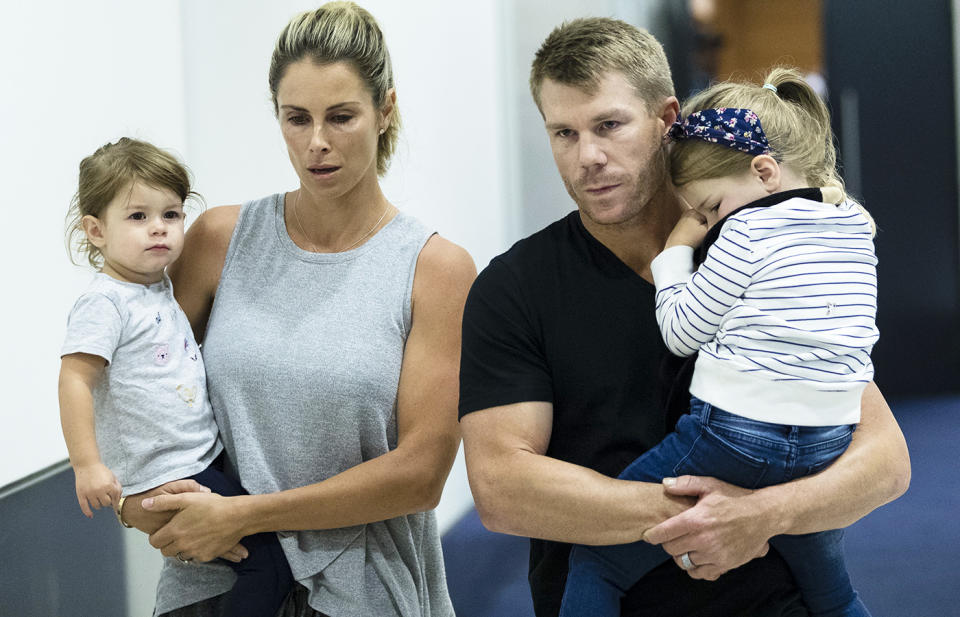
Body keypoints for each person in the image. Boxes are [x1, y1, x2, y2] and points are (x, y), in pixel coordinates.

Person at [458, 17, 910, 617]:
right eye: (563, 133)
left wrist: (761, 517)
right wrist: (715, 518)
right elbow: (503, 491)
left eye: (609, 125)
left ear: (667, 120)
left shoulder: (757, 240)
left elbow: (886, 463)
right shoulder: (513, 288)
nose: (587, 156)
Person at [116, 3, 475, 616]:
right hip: (213, 582)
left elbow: (421, 474)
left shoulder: (435, 270)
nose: (317, 143)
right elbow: (137, 382)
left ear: (385, 109)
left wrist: (245, 514)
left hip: (360, 590)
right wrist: (135, 500)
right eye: (296, 118)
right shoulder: (219, 240)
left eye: (341, 117)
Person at [559, 69, 878, 617]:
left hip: (734, 436)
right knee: (834, 594)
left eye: (709, 207)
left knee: (596, 561)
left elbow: (682, 332)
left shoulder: (746, 231)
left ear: (764, 171)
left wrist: (675, 253)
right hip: (828, 443)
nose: (708, 223)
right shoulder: (853, 223)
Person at [58, 137, 294, 617]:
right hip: (173, 472)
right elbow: (74, 380)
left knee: (255, 553)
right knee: (268, 564)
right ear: (95, 230)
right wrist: (87, 465)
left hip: (198, 457)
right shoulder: (105, 303)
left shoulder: (157, 287)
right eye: (138, 217)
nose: (159, 229)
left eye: (171, 214)